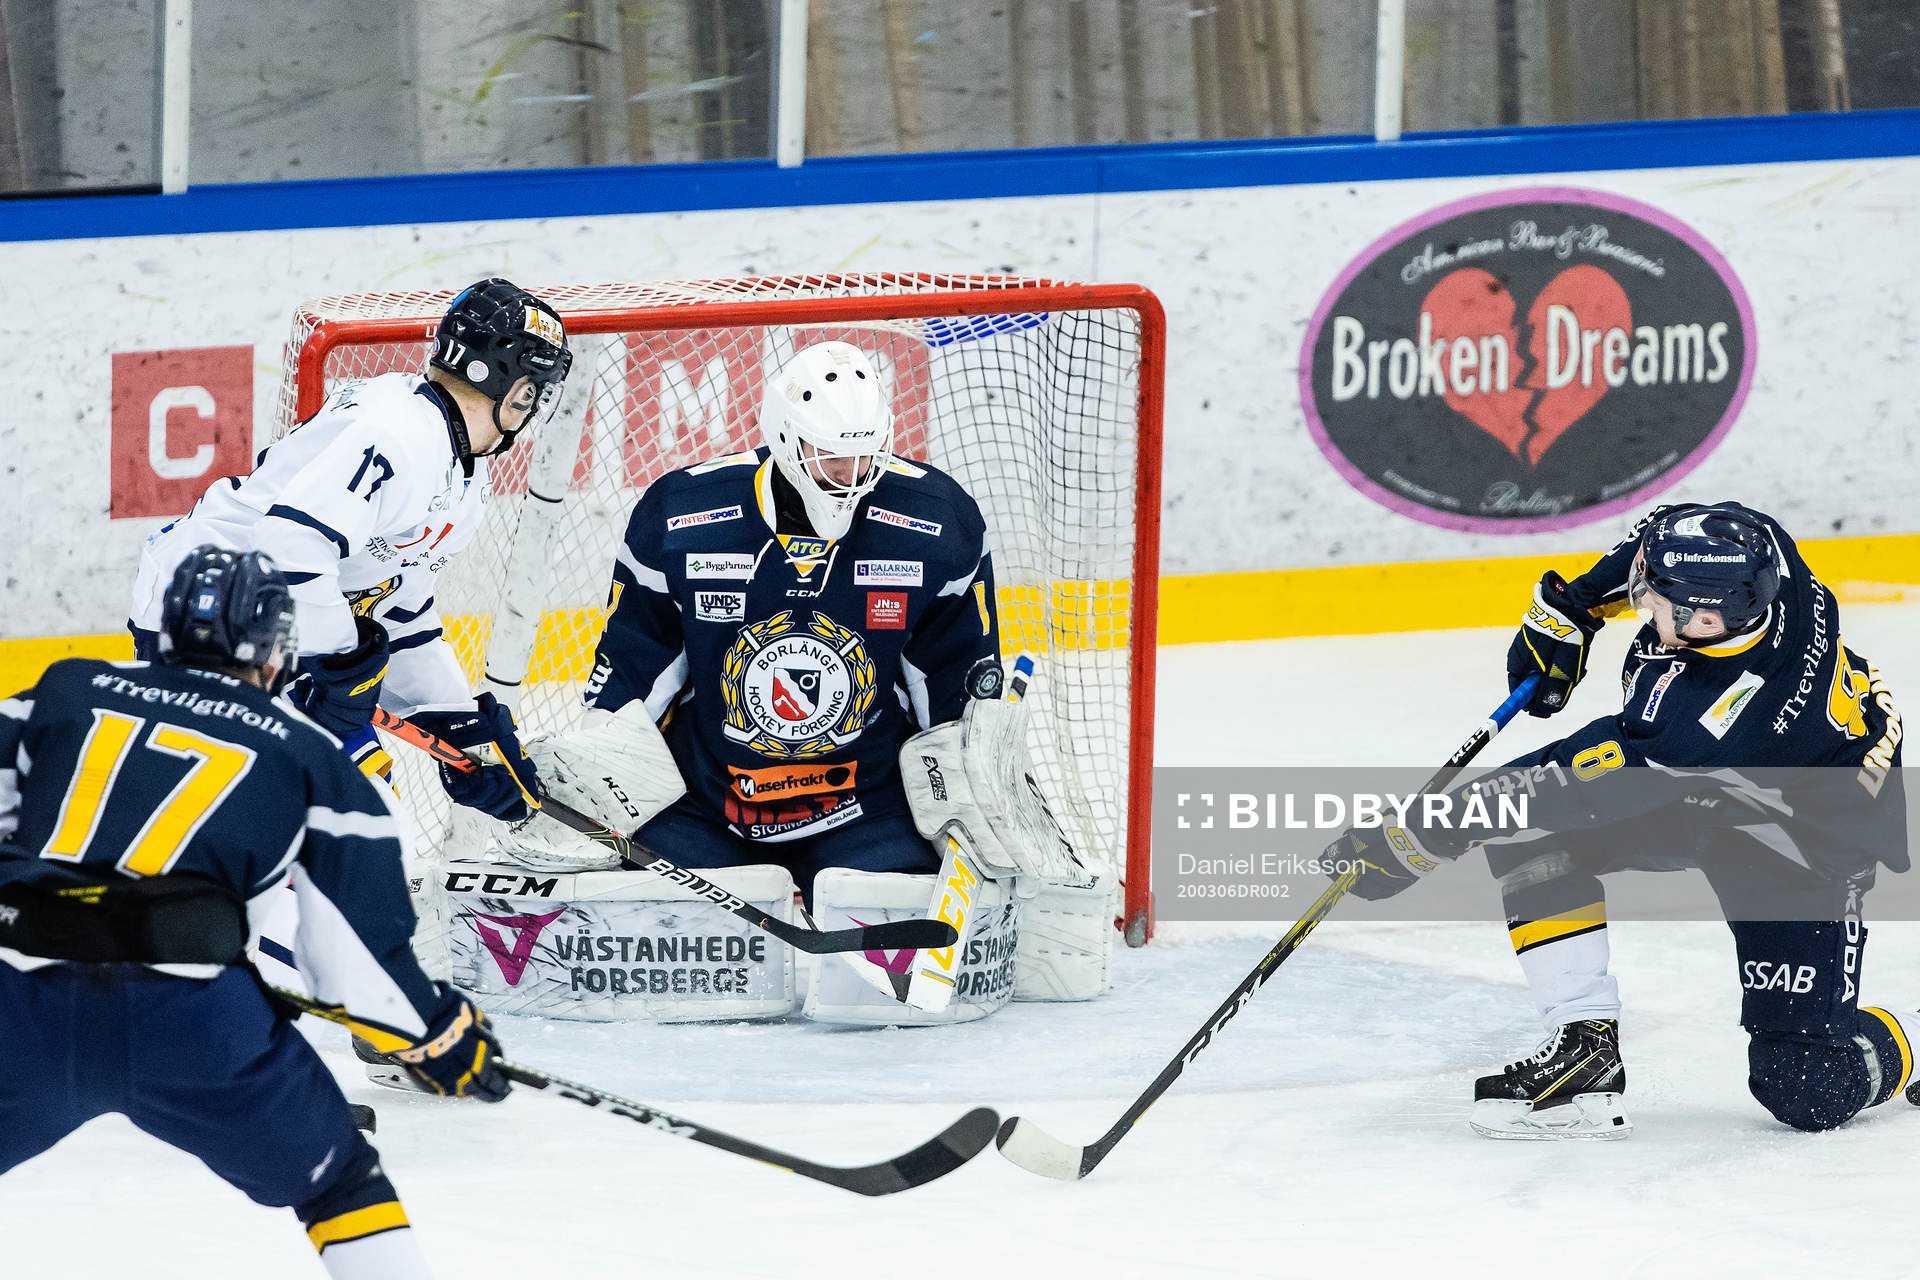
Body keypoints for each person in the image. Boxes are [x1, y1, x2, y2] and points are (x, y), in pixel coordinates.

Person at [484, 341, 1098, 1023]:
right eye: (833, 456)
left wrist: (977, 785)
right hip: (709, 803)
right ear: (784, 436)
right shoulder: (683, 514)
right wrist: (597, 779)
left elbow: (950, 686)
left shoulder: (934, 522)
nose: (853, 474)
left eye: (867, 456)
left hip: (865, 807)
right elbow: (633, 676)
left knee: (895, 938)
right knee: (657, 946)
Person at [1329, 502, 1916, 1138]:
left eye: (1656, 603)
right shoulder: (1762, 549)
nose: (1640, 604)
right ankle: (1584, 1049)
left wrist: (1423, 831)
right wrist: (1572, 610)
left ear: (1704, 619)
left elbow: (1566, 782)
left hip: (1801, 832)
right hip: (1718, 784)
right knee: (1536, 837)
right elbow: (1666, 534)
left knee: (1807, 1088)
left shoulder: (1708, 722)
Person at [0, 546, 510, 1276]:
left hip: (21, 1000)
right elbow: (357, 961)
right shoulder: (314, 754)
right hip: (198, 1024)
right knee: (342, 1187)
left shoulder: (61, 689)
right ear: (277, 652)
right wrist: (433, 1035)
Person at [127, 278, 570, 823]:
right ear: (515, 388)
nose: (531, 406)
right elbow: (287, 546)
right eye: (534, 389)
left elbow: (397, 605)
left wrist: (456, 718)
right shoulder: (396, 432)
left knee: (357, 818)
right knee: (338, 816)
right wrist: (340, 660)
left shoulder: (462, 472)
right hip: (206, 626)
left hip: (280, 632)